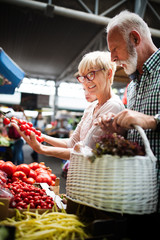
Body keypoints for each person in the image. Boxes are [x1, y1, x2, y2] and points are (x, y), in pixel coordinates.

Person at [95, 10, 160, 240]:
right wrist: (118, 129)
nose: (112, 58)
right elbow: (135, 133)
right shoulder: (132, 86)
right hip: (136, 196)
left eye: (114, 49)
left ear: (135, 38)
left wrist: (151, 120)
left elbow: (148, 123)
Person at [11, 51, 125, 161]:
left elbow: (86, 152)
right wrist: (38, 134)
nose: (86, 82)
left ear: (108, 74)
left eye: (91, 74)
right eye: (82, 77)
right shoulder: (91, 107)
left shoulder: (113, 106)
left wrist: (43, 149)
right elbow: (72, 143)